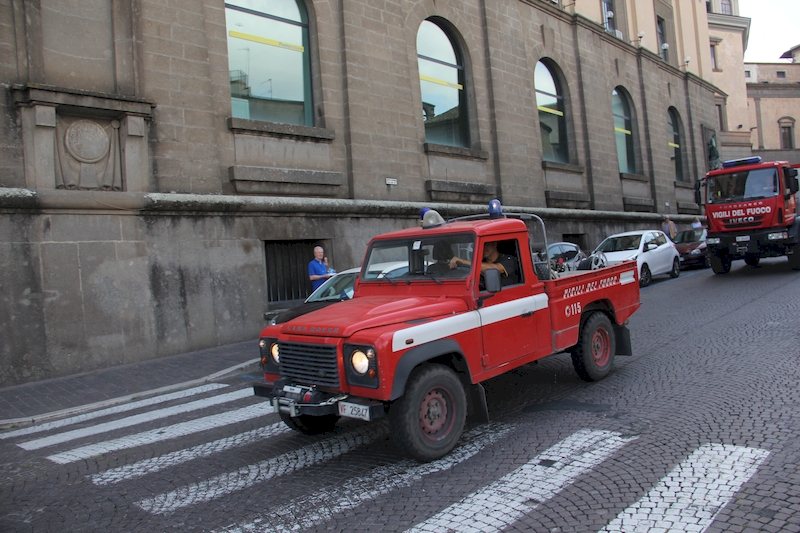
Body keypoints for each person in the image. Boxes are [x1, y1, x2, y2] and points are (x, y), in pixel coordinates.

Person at [449, 240, 519, 286]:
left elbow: (496, 268)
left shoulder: (508, 259)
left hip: (507, 297)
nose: (484, 248)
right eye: (481, 245)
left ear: (494, 244)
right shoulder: (482, 263)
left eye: (486, 244)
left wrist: (463, 261)